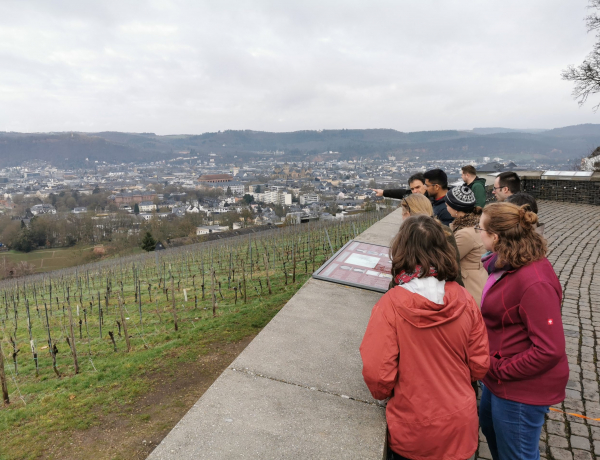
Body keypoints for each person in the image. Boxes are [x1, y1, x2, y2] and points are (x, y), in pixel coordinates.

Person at [360, 215, 489, 460]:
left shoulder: (391, 305)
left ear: (401, 250)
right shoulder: (464, 298)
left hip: (413, 426)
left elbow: (378, 374)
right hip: (461, 422)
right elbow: (480, 364)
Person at [476, 202, 568, 460]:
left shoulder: (534, 282)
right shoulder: (507, 265)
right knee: (493, 434)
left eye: (479, 228)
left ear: (495, 236)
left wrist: (499, 369)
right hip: (497, 375)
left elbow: (550, 349)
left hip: (519, 387)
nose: (477, 232)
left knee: (517, 454)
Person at [400, 193, 464, 288]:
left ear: (408, 213)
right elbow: (454, 265)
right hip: (444, 290)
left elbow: (401, 266)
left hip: (415, 291)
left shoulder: (408, 234)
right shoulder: (445, 231)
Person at [445, 185, 488, 307]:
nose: (446, 207)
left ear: (456, 209)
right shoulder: (474, 224)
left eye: (448, 205)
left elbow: (448, 257)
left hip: (471, 284)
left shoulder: (465, 234)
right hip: (477, 278)